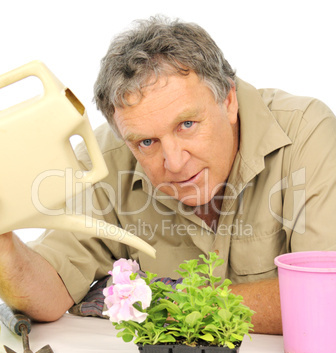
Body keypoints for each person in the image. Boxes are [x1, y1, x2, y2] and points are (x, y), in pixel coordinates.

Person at [1, 16, 336, 335]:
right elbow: (49, 293)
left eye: (187, 125)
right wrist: (4, 246)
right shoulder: (103, 159)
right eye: (147, 142)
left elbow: (325, 297)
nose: (174, 163)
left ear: (229, 100)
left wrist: (169, 305)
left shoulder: (307, 133)